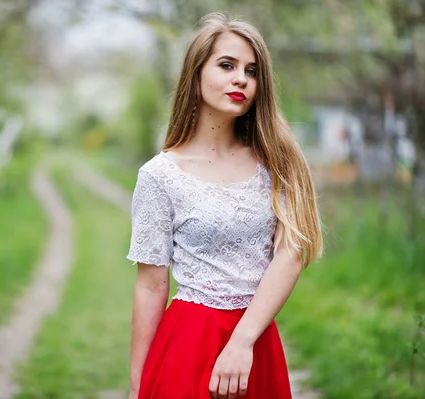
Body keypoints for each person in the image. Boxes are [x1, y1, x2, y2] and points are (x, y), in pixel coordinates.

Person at [126, 12, 323, 399]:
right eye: (227, 65)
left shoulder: (276, 161)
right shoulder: (159, 176)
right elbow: (151, 286)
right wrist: (138, 386)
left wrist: (243, 341)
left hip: (257, 340)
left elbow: (291, 253)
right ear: (195, 74)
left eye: (252, 72)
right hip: (187, 342)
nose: (241, 80)